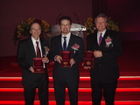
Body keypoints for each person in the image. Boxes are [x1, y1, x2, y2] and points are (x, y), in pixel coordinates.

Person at [87, 13, 122, 105]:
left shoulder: (114, 35)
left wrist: (103, 54)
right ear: (95, 24)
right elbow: (88, 53)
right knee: (95, 99)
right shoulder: (90, 37)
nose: (100, 24)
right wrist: (87, 63)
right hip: (95, 74)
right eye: (98, 22)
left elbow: (118, 52)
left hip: (109, 73)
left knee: (109, 100)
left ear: (106, 23)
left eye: (102, 22)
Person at [51, 16, 84, 105]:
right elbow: (50, 54)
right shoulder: (54, 40)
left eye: (67, 25)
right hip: (58, 74)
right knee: (59, 98)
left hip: (72, 73)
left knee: (73, 98)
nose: (65, 27)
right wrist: (55, 56)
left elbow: (81, 55)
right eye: (63, 25)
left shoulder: (78, 40)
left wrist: (75, 59)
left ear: (70, 26)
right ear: (60, 26)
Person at [17, 20, 49, 105]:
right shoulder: (23, 43)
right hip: (29, 76)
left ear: (41, 31)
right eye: (33, 29)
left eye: (38, 29)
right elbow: (20, 59)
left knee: (44, 100)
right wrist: (28, 67)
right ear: (30, 31)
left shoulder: (45, 42)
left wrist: (47, 59)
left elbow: (49, 54)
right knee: (29, 101)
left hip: (43, 77)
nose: (36, 31)